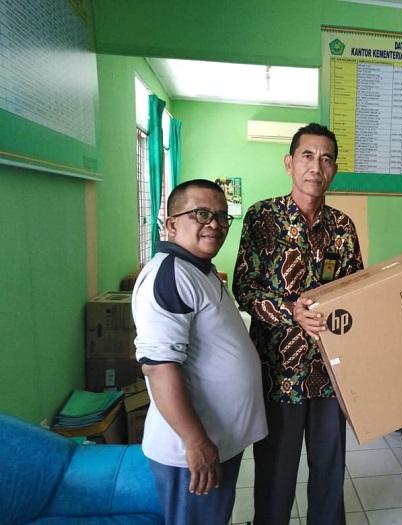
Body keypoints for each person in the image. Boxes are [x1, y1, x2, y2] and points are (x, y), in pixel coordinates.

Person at [233, 123, 363, 525]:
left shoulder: (343, 228)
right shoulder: (262, 217)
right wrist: (291, 311)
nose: (316, 167)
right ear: (289, 162)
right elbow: (244, 288)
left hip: (329, 371)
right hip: (277, 372)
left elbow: (357, 293)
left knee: (329, 468)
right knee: (276, 470)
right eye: (307, 155)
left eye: (326, 159)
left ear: (334, 169)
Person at [132, 179, 267, 525]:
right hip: (190, 452)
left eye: (222, 216)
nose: (215, 224)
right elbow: (159, 368)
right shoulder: (170, 275)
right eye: (201, 214)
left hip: (217, 440)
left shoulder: (198, 269)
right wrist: (195, 442)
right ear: (171, 223)